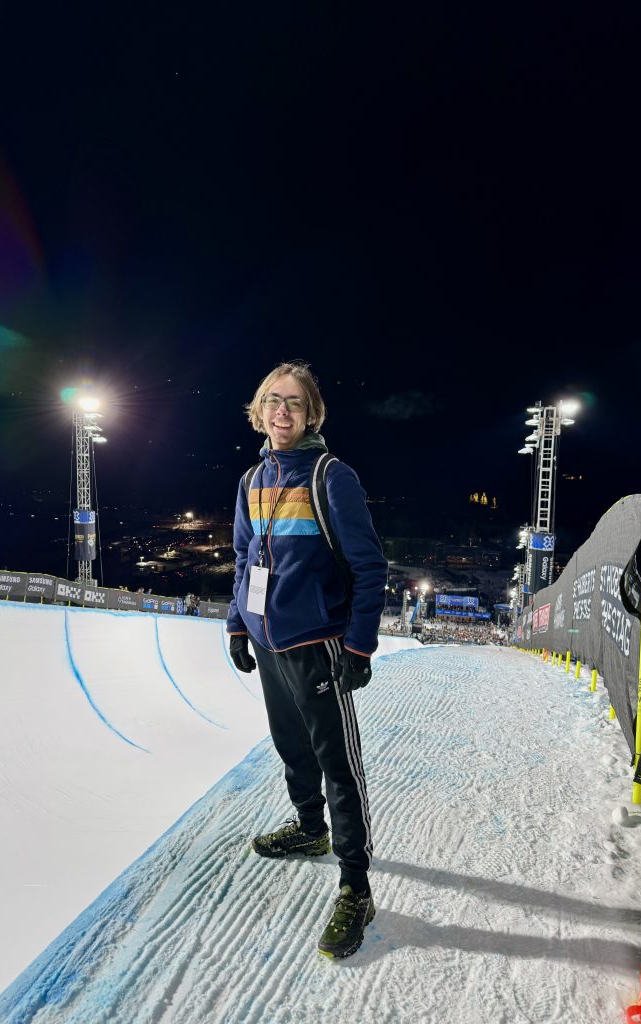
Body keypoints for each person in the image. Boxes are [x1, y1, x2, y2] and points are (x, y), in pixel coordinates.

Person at [226, 360, 387, 959]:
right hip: (268, 642)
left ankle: (356, 885)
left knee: (337, 762)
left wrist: (359, 645)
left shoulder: (330, 476)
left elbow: (370, 568)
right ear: (259, 410)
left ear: (311, 412)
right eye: (273, 401)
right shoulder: (251, 480)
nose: (282, 412)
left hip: (318, 643)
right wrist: (238, 625)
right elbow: (244, 560)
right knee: (290, 747)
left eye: (294, 402)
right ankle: (310, 829)